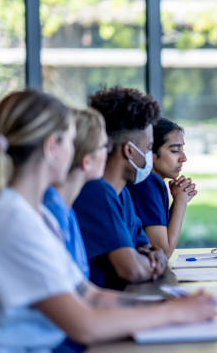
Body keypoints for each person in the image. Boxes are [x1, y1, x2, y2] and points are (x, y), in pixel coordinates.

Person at [0, 90, 216, 351]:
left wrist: (172, 306)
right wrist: (173, 314)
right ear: (51, 147)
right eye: (71, 141)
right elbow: (84, 324)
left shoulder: (37, 216)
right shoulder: (13, 222)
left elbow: (90, 295)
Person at [73, 86, 167, 289]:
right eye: (149, 148)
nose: (150, 156)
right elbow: (131, 269)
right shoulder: (96, 192)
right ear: (129, 151)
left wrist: (152, 257)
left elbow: (151, 250)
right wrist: (149, 263)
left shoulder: (122, 193)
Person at [42, 108, 108, 279]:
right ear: (86, 161)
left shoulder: (65, 207)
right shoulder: (51, 212)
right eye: (104, 146)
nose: (108, 152)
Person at [129, 117, 196, 258]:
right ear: (150, 152)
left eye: (182, 149)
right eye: (174, 150)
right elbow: (163, 253)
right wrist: (181, 201)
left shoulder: (153, 182)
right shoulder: (147, 183)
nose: (183, 158)